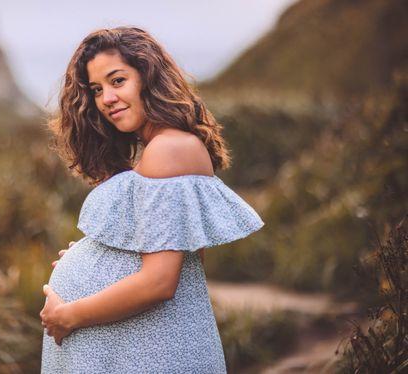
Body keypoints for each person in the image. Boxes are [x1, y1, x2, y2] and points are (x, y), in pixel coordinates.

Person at [39, 26, 264, 373]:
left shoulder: (169, 149)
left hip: (151, 351)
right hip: (139, 346)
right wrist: (103, 258)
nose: (106, 99)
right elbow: (177, 249)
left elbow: (160, 281)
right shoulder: (164, 147)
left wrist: (66, 316)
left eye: (117, 81)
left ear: (148, 77)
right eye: (97, 90)